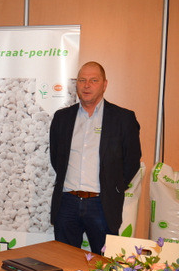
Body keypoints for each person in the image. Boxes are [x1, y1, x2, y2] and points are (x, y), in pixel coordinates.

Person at [49, 61, 141, 254]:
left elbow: (132, 161)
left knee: (105, 264)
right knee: (64, 260)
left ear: (104, 84)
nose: (87, 85)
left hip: (102, 205)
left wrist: (115, 187)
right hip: (67, 203)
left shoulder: (123, 119)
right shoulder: (62, 118)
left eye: (93, 80)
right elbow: (56, 158)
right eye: (82, 80)